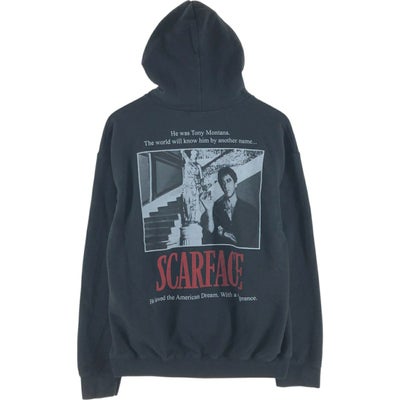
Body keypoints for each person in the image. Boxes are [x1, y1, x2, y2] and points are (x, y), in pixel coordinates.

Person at [200, 166, 259, 247]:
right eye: (222, 182)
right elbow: (210, 234)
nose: (225, 186)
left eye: (228, 181)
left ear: (235, 183)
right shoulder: (214, 209)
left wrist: (222, 232)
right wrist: (209, 210)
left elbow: (249, 239)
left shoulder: (250, 210)